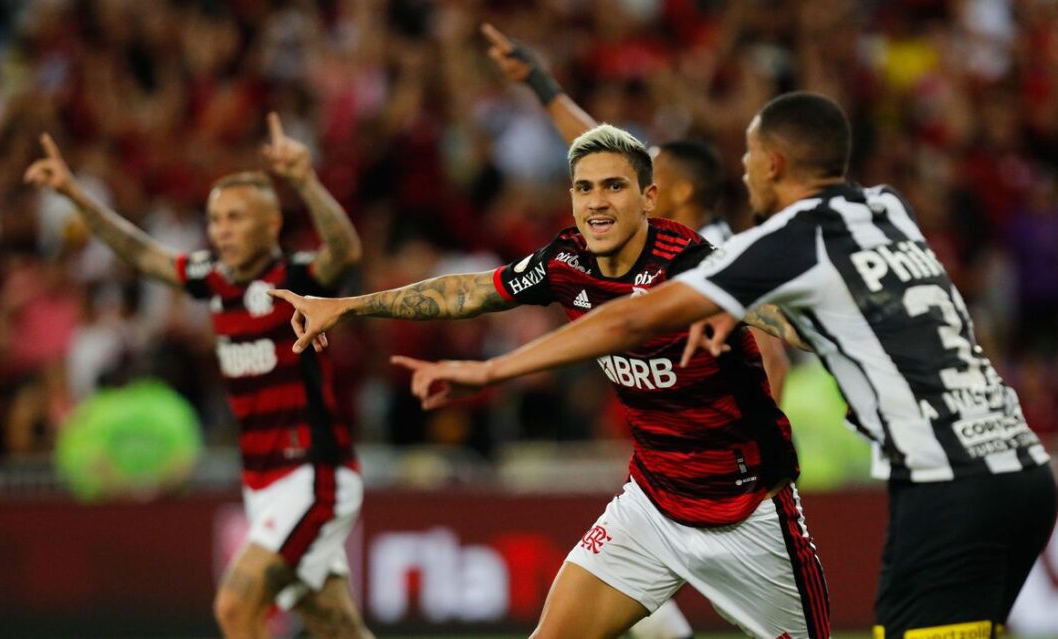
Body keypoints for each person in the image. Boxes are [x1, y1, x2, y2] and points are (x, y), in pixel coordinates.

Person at [382, 93, 1057, 639]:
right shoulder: (885, 209)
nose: (741, 169)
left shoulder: (776, 245)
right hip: (1021, 467)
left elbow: (632, 318)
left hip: (941, 483)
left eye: (748, 155)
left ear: (773, 164)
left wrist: (490, 371)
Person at [271, 124, 829, 638]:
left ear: (649, 198)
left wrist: (847, 329)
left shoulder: (695, 266)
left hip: (748, 511)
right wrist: (348, 305)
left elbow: (793, 320)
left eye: (613, 186)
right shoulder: (565, 261)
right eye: (584, 188)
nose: (597, 202)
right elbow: (470, 291)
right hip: (652, 507)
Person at [24, 115, 373, 639]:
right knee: (337, 629)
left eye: (236, 217)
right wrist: (75, 195)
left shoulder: (295, 278)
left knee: (235, 607)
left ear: (271, 224)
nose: (222, 229)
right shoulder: (212, 278)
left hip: (312, 473)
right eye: (215, 218)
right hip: (262, 481)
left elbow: (344, 252)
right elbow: (141, 252)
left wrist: (305, 182)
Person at [481, 23, 789, 404]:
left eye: (653, 170)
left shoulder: (719, 256)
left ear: (681, 191)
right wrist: (538, 81)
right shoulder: (660, 236)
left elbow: (773, 360)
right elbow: (592, 141)